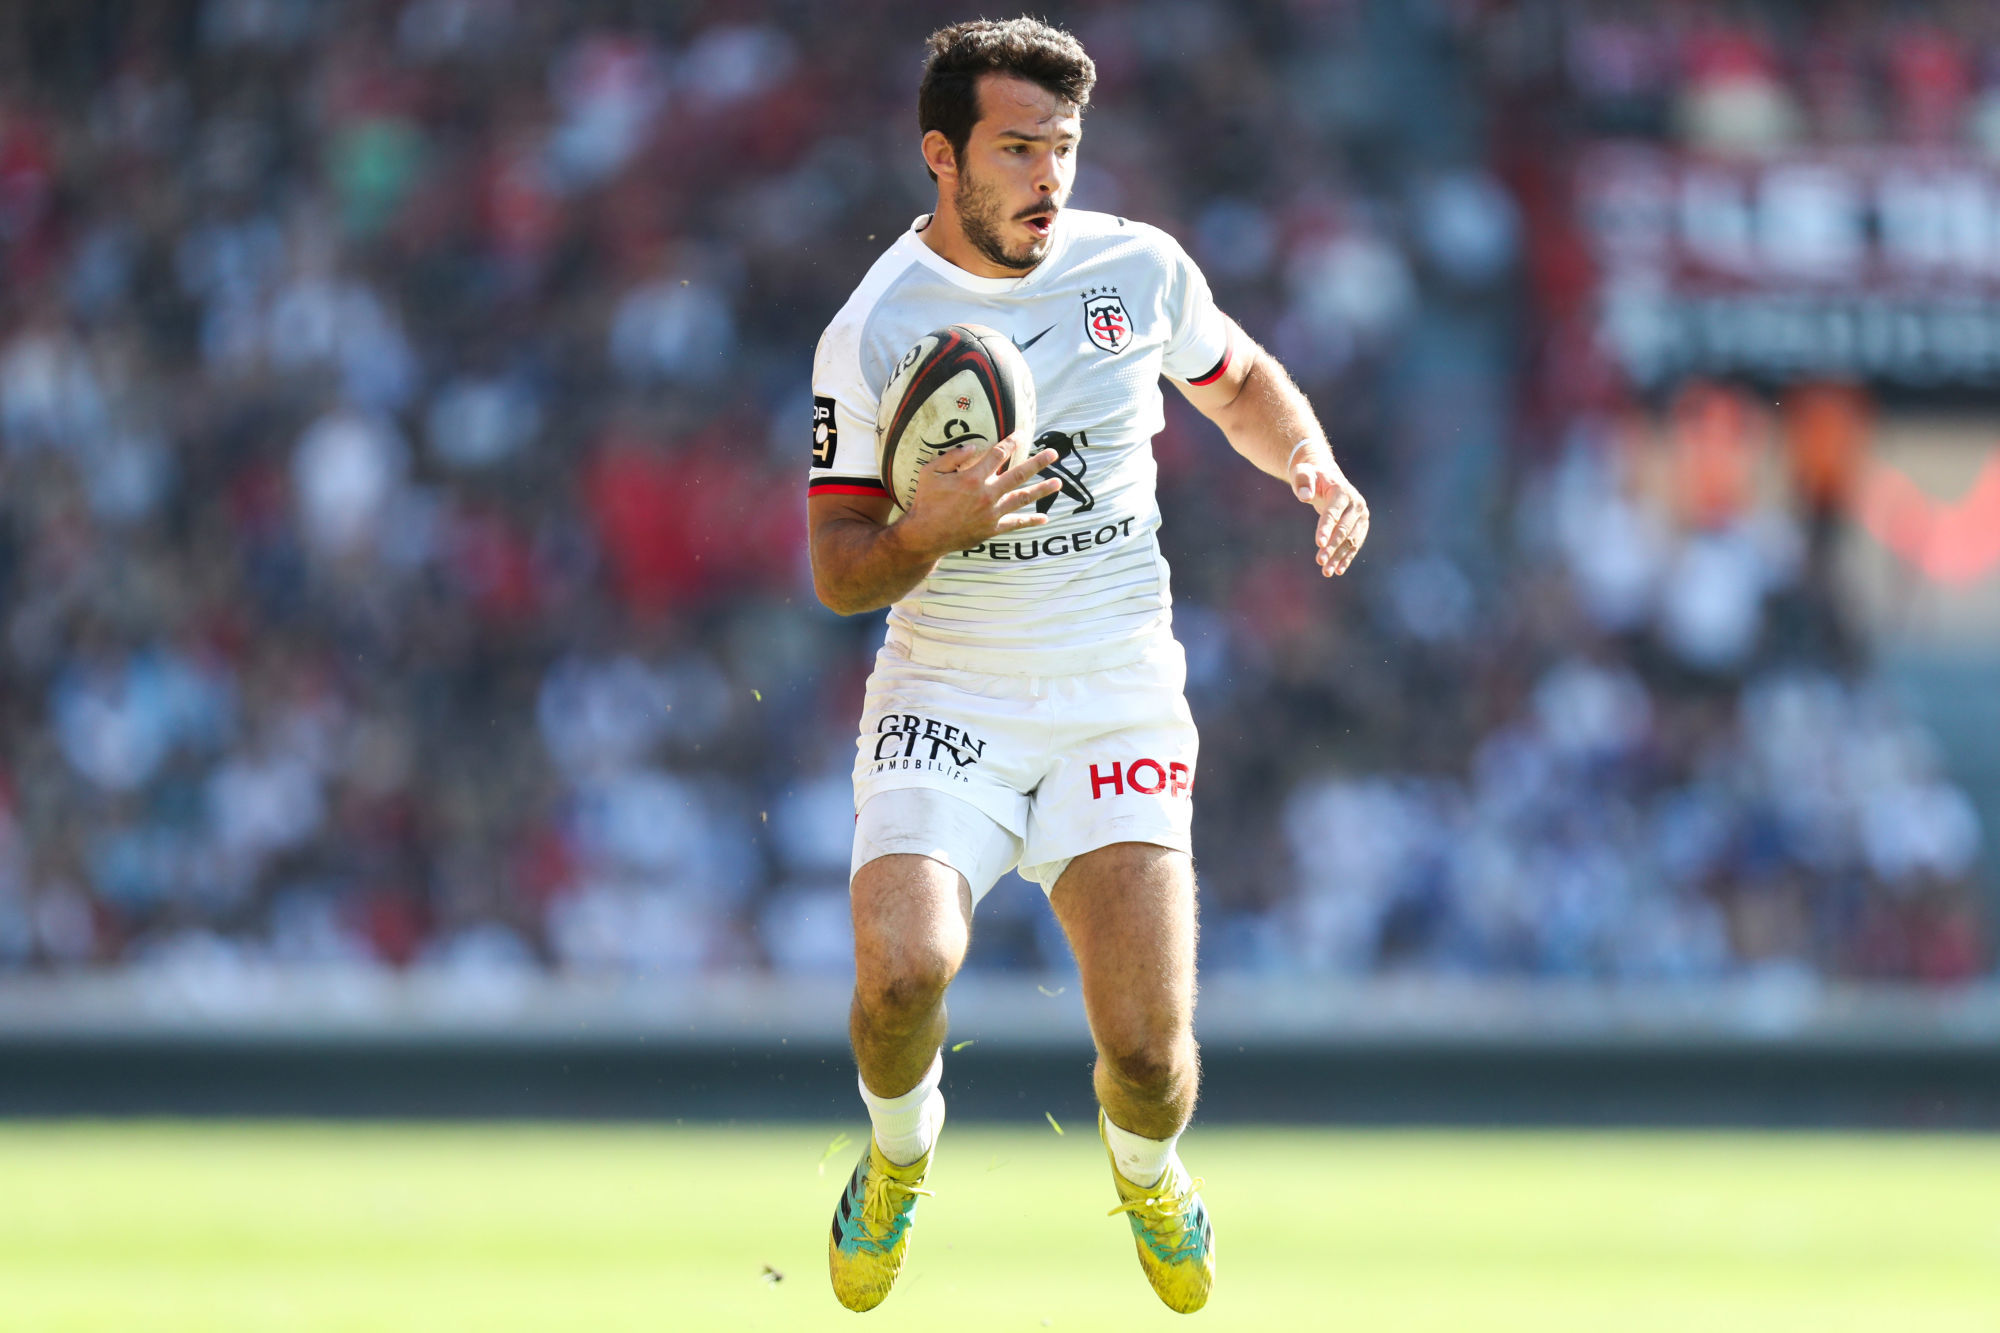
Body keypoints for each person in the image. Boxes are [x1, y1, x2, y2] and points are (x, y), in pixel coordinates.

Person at [808, 17, 1368, 1315]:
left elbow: (1237, 380)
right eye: (1017, 148)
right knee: (901, 973)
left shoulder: (1137, 270)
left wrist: (1311, 459)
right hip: (946, 691)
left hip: (1113, 689)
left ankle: (1153, 1176)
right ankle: (897, 1161)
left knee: (1151, 1056)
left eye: (1063, 145)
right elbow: (840, 567)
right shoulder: (877, 326)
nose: (1049, 175)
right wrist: (926, 529)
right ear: (942, 156)